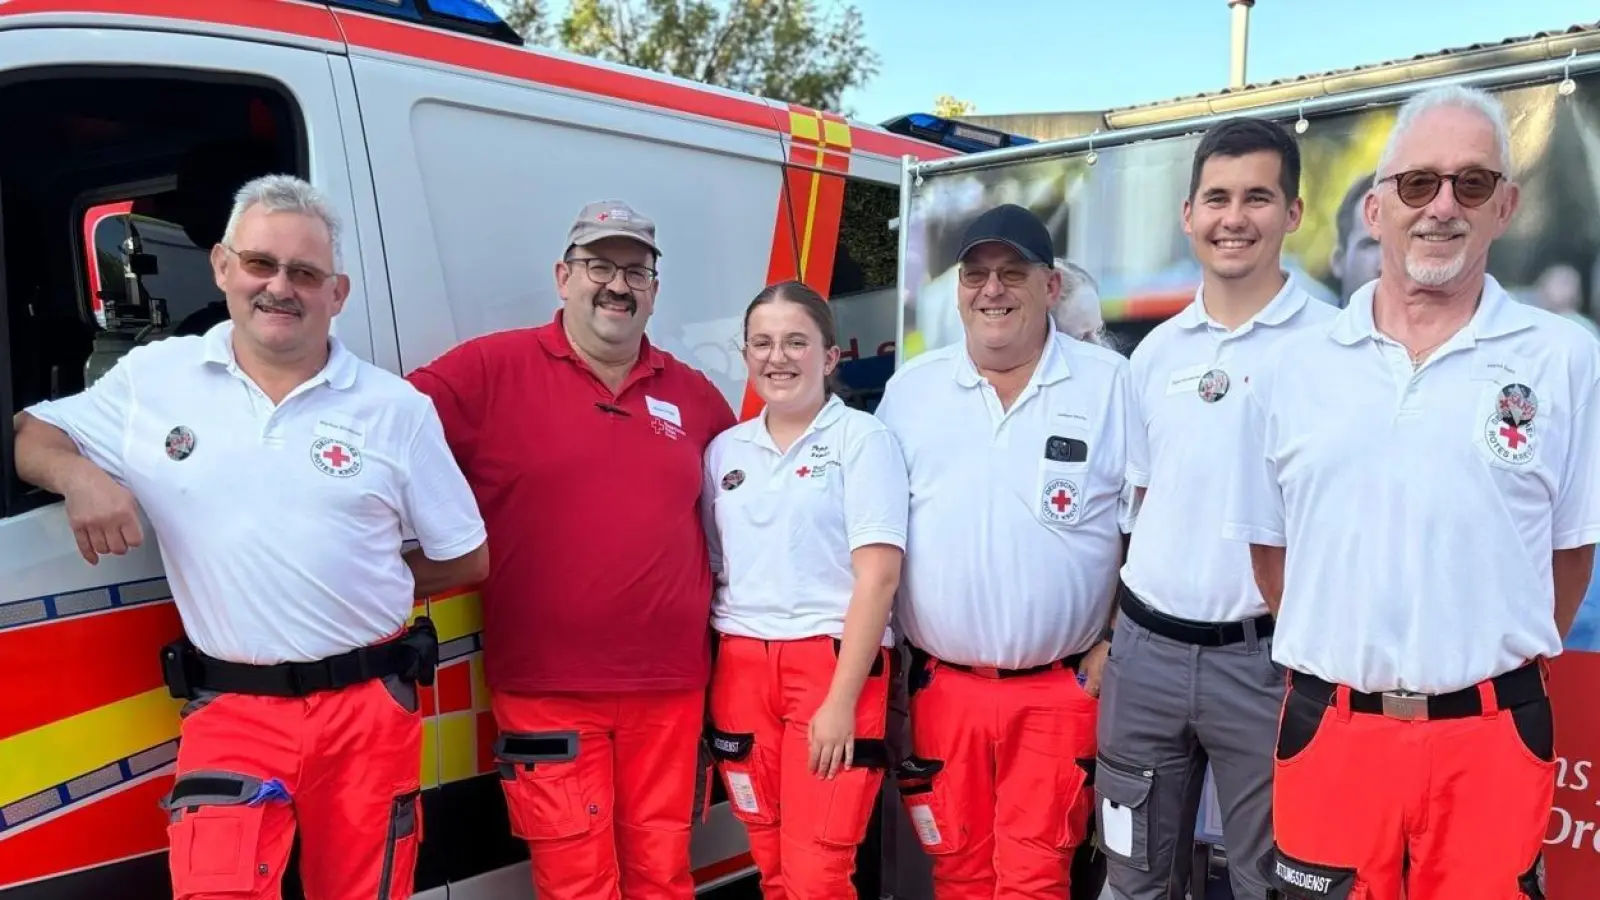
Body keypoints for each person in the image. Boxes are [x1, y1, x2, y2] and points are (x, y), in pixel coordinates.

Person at [13, 173, 489, 899]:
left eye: (305, 273)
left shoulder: (395, 409)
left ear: (337, 293)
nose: (279, 288)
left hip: (367, 710)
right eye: (261, 264)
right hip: (233, 711)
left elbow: (467, 556)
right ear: (222, 266)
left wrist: (367, 582)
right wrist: (80, 478)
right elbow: (31, 433)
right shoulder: (156, 380)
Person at [1222, 84, 1600, 900]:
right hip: (1334, 734)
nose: (1443, 206)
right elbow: (1272, 556)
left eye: (1472, 183)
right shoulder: (1290, 368)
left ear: (1506, 206)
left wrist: (1470, 663)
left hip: (1492, 741)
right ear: (1375, 207)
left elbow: (1570, 557)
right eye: (1418, 182)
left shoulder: (1565, 361)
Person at [406, 199, 738, 900]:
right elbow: (376, 431)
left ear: (654, 290)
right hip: (546, 691)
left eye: (636, 271)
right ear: (564, 277)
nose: (617, 285)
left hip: (671, 689)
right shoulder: (489, 370)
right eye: (599, 266)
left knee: (664, 879)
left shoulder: (696, 396)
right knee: (576, 884)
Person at [1098, 116, 1335, 900]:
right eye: (1217, 198)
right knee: (1133, 878)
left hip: (1267, 663)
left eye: (1257, 197)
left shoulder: (1337, 348)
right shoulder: (1154, 353)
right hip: (1145, 658)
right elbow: (1139, 506)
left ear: (1293, 212)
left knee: (1273, 882)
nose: (1234, 218)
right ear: (1188, 214)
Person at [875, 202, 1135, 899]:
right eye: (976, 274)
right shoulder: (911, 391)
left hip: (1059, 692)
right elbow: (873, 538)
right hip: (944, 691)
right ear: (959, 291)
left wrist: (1113, 642)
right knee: (956, 874)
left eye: (1012, 272)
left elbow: (1148, 526)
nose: (992, 289)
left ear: (1051, 286)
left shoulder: (1110, 384)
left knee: (1036, 879)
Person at [699, 279, 908, 899]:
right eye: (762, 343)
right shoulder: (724, 452)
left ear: (830, 355)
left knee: (818, 871)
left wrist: (841, 702)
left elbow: (879, 577)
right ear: (745, 354)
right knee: (771, 863)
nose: (777, 357)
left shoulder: (863, 441)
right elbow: (718, 566)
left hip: (830, 669)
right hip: (740, 669)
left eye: (796, 342)